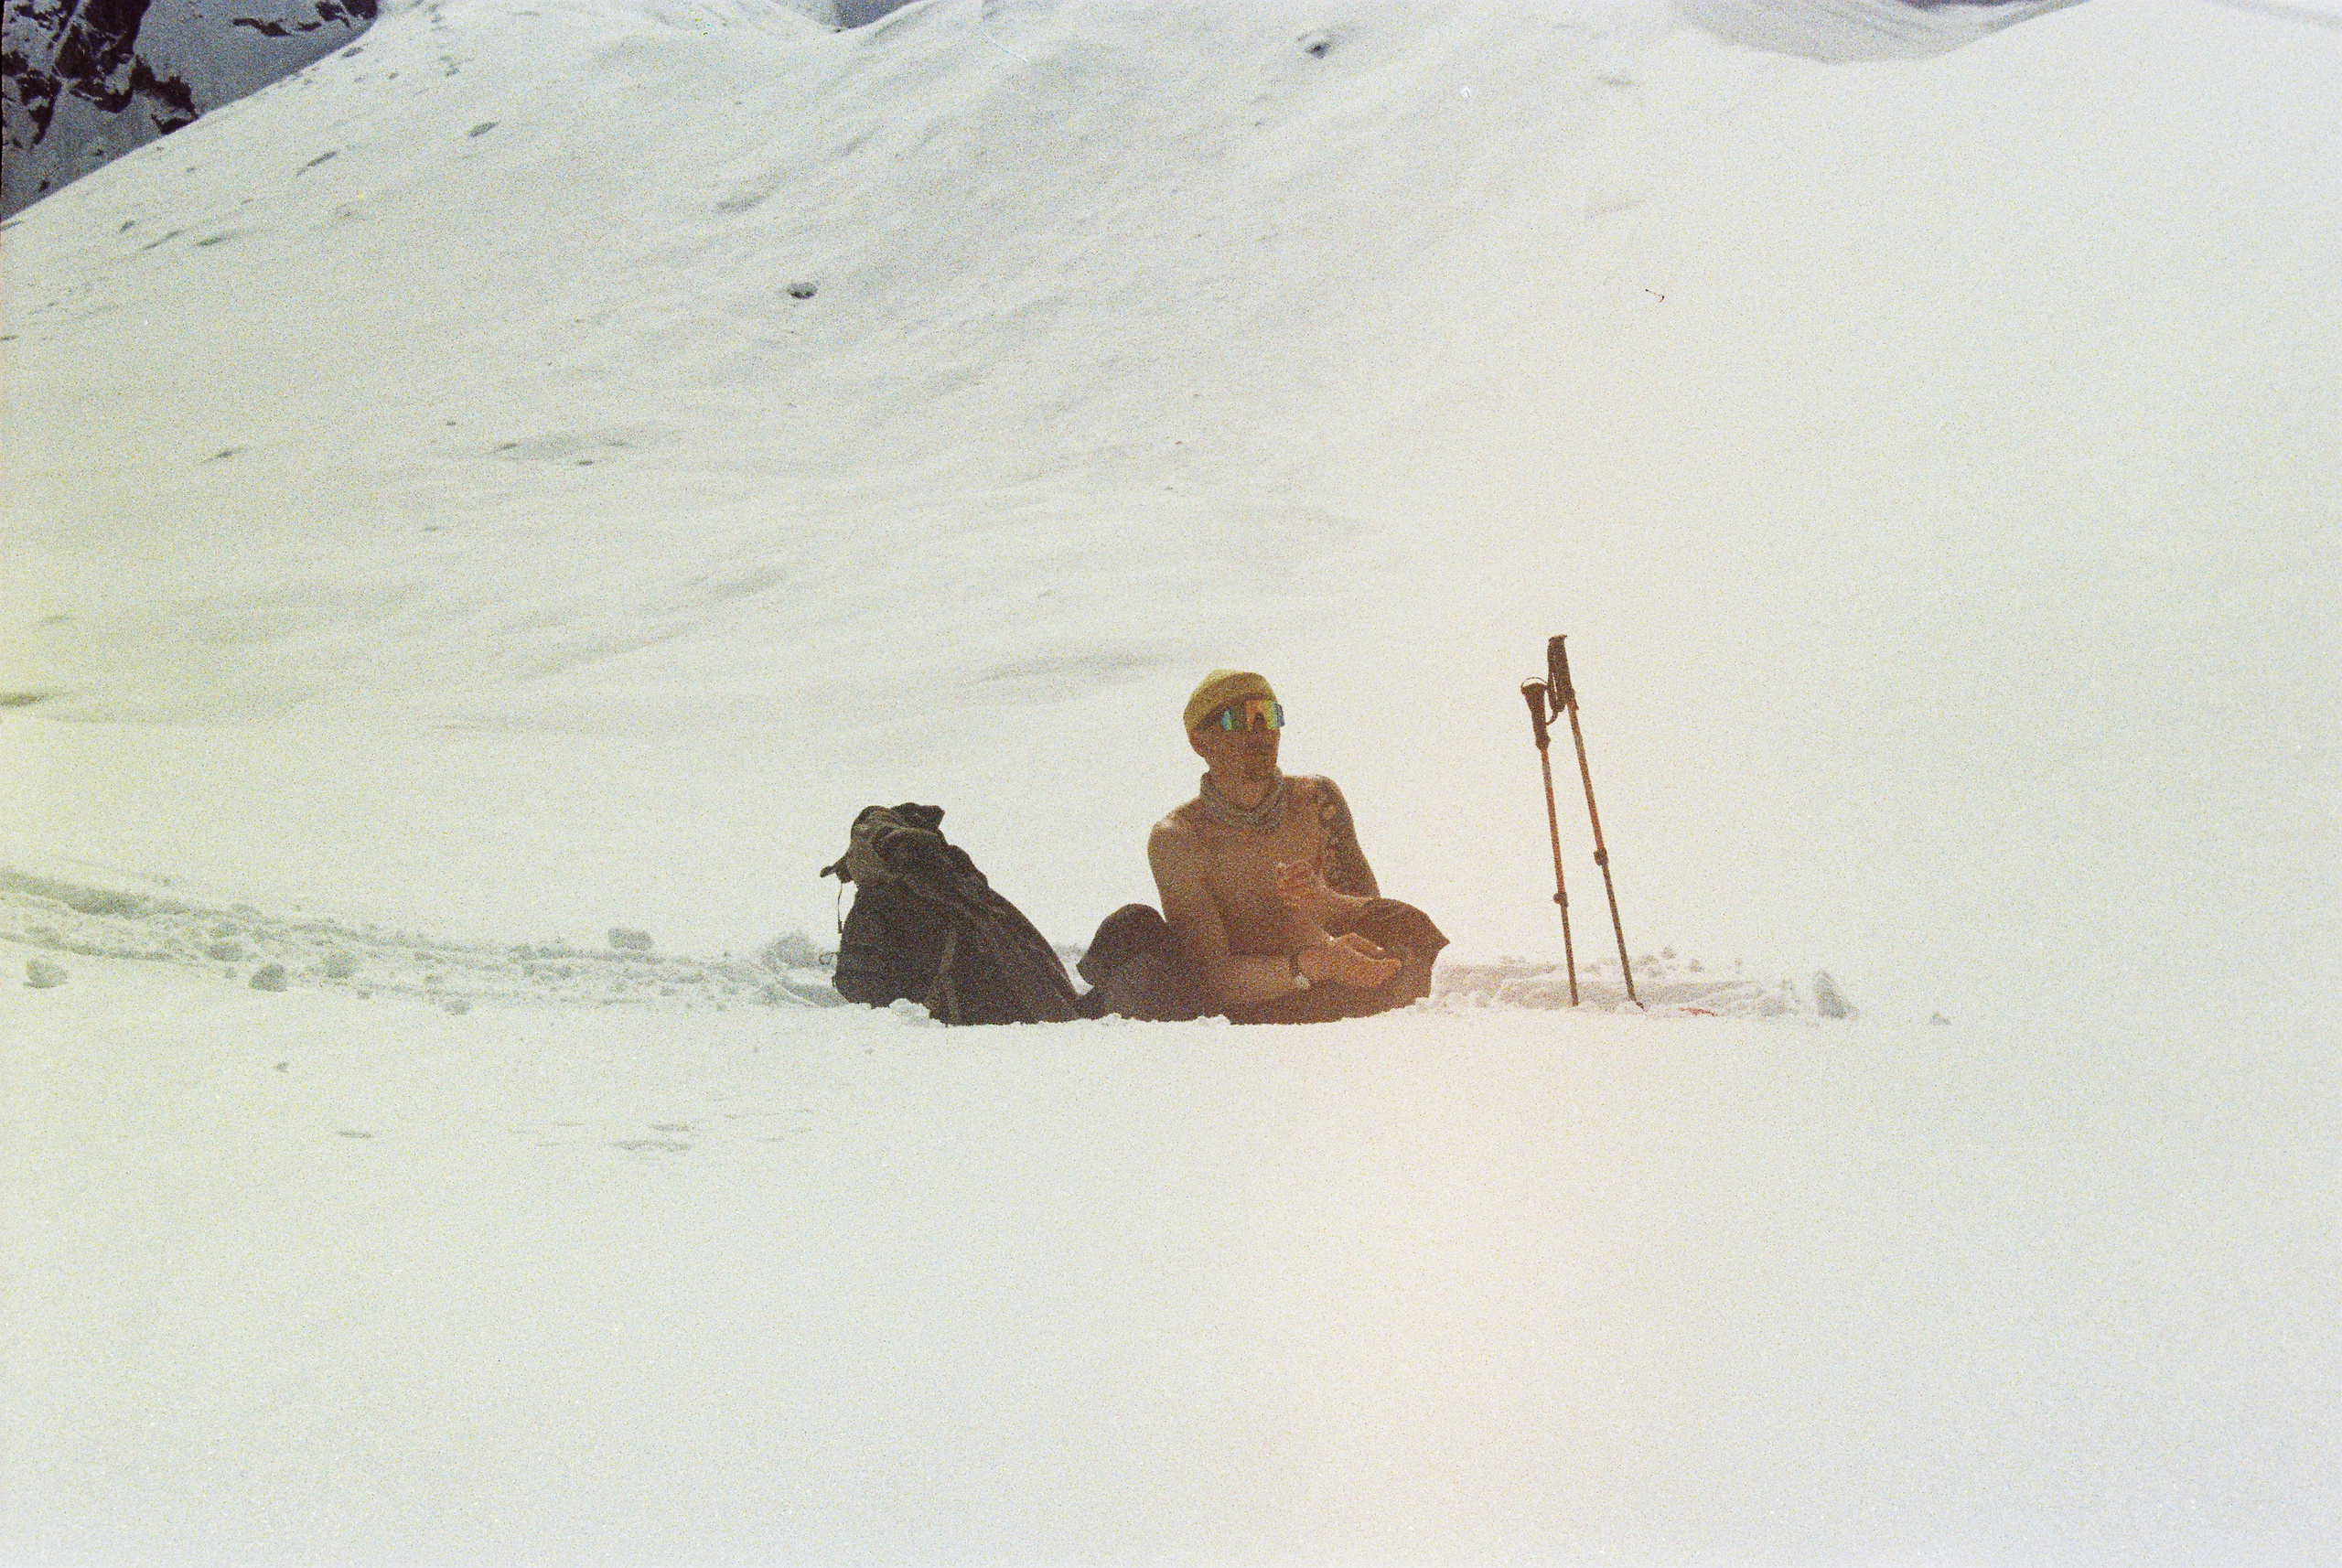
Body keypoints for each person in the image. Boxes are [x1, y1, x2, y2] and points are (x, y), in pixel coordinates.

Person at [1077, 670, 1447, 1023]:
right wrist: (1315, 964)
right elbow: (1212, 978)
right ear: (1199, 742)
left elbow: (1373, 922)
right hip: (1242, 1001)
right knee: (1139, 940)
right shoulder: (1181, 839)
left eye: (1268, 716)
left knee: (1410, 927)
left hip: (1314, 986)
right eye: (1236, 719)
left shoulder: (1317, 801)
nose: (1258, 731)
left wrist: (1323, 902)